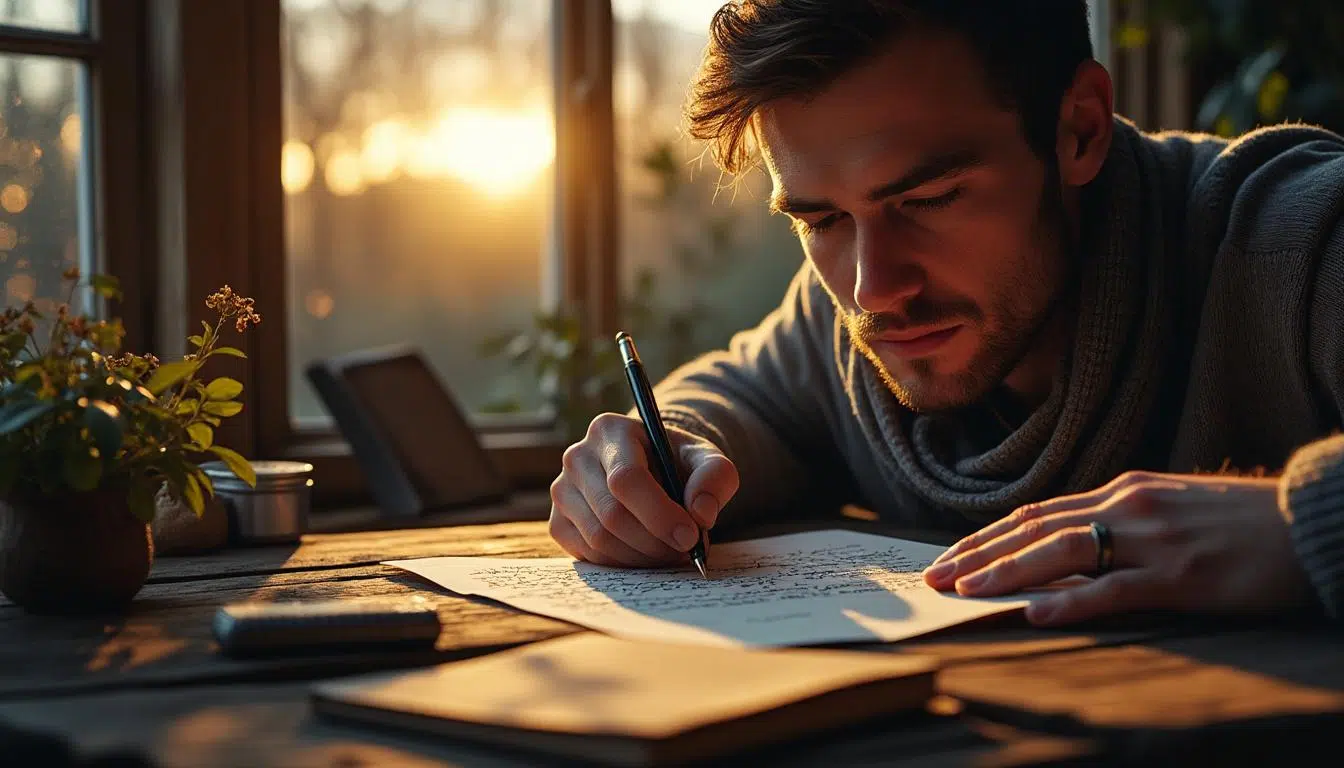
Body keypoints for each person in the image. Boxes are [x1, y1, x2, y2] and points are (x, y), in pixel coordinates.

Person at [547, 0, 1344, 625]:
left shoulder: (1304, 244)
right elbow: (740, 399)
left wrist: (1295, 526)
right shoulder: (847, 333)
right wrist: (657, 461)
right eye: (821, 221)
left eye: (927, 199)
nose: (871, 289)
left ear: (1080, 129)